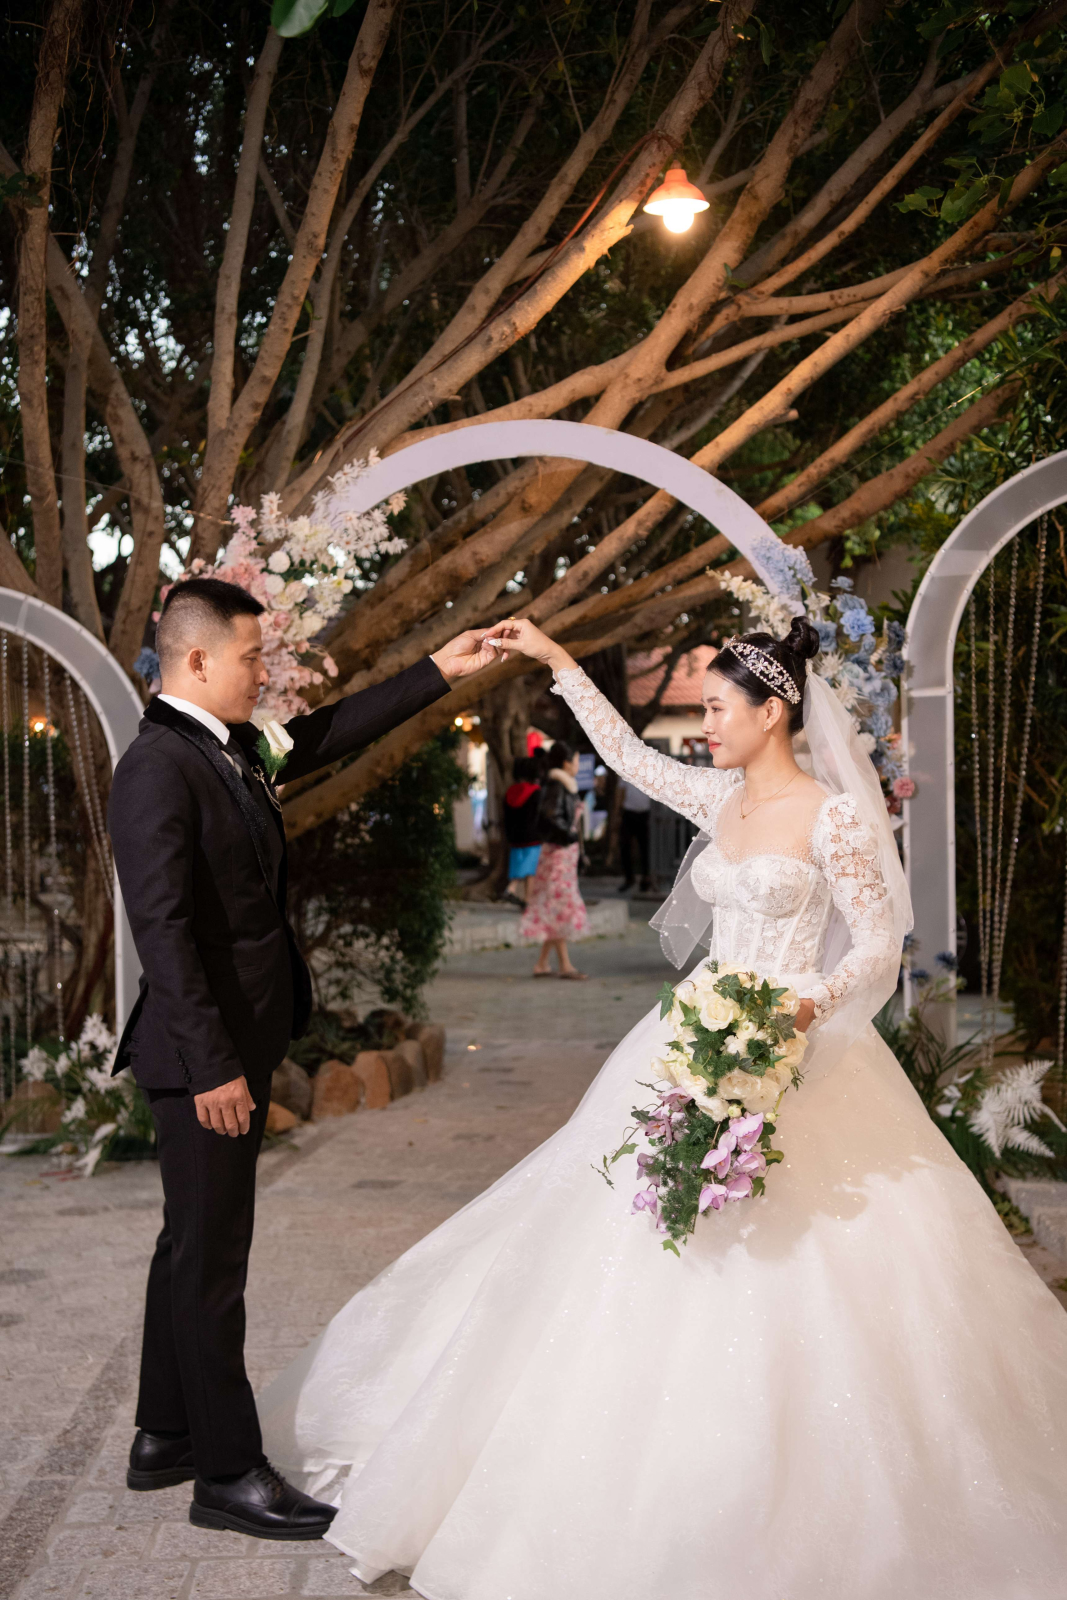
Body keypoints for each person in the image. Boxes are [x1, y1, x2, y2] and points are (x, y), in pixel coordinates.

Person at [258, 610, 1067, 1598]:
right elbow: (629, 757)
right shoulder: (717, 795)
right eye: (707, 708)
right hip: (689, 1040)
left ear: (773, 713)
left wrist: (804, 1006)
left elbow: (874, 944)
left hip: (800, 1045)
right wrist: (556, 661)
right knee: (617, 1226)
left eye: (721, 709)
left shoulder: (832, 817)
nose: (708, 725)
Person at [107, 576, 498, 1542]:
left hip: (229, 1040)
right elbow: (161, 932)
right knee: (213, 1265)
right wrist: (211, 1067)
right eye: (251, 658)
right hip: (201, 1055)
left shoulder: (228, 745)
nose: (263, 673)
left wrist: (438, 671)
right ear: (197, 659)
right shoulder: (158, 766)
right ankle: (226, 1473)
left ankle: (164, 1434)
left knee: (188, 1244)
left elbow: (322, 733)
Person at [520, 740, 590, 979]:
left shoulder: (563, 785)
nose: (578, 765)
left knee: (555, 906)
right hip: (558, 855)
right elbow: (552, 817)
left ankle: (542, 964)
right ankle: (565, 966)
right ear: (566, 763)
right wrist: (569, 835)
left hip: (562, 854)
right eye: (576, 760)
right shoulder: (559, 786)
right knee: (559, 906)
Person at [500, 755, 542, 908]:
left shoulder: (510, 792)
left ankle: (515, 892)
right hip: (533, 838)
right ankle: (526, 900)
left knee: (519, 865)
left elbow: (505, 817)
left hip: (514, 838)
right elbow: (538, 816)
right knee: (531, 871)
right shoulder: (536, 792)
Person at [618, 777, 652, 893]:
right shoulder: (624, 770)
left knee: (645, 847)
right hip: (628, 812)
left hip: (646, 813)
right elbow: (620, 791)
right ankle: (629, 878)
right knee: (625, 846)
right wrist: (618, 813)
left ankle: (646, 878)